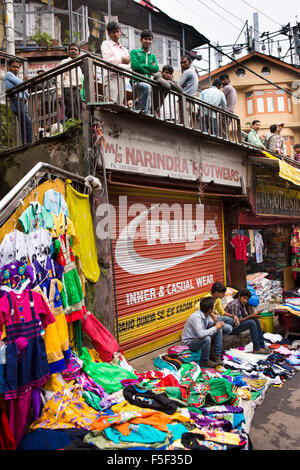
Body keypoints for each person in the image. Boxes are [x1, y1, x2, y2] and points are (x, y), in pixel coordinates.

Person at [182, 296, 225, 367]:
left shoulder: (206, 315)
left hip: (197, 339)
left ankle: (217, 355)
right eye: (212, 307)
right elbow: (201, 334)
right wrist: (215, 327)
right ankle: (204, 360)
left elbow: (211, 325)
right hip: (189, 343)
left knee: (218, 330)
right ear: (210, 309)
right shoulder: (196, 317)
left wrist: (216, 322)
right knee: (207, 339)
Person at [225, 288, 269, 354]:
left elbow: (245, 316)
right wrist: (251, 316)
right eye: (244, 298)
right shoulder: (234, 305)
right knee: (251, 322)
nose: (245, 300)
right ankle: (256, 348)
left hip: (237, 325)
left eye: (247, 299)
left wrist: (254, 315)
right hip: (231, 328)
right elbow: (237, 321)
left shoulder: (242, 304)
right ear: (239, 296)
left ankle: (261, 345)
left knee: (256, 320)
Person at [101, 21, 130, 105]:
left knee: (119, 104)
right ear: (109, 34)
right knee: (111, 102)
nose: (116, 34)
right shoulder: (106, 44)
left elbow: (128, 65)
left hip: (122, 77)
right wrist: (121, 59)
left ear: (120, 32)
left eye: (117, 31)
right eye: (113, 32)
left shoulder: (124, 49)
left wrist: (117, 63)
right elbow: (107, 61)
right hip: (111, 77)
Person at [130, 30, 159, 113]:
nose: (148, 41)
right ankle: (144, 112)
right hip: (136, 82)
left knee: (147, 89)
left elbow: (156, 69)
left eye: (150, 39)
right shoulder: (134, 52)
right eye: (145, 39)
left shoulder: (152, 56)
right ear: (141, 40)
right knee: (147, 87)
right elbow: (135, 66)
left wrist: (143, 65)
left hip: (148, 82)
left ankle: (137, 106)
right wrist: (149, 70)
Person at [5, 58, 32, 145]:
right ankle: (28, 143)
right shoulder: (9, 74)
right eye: (14, 67)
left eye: (17, 67)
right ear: (9, 66)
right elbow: (21, 83)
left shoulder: (15, 76)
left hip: (21, 101)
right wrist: (26, 81)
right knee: (27, 123)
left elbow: (25, 92)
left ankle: (26, 143)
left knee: (25, 124)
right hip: (17, 101)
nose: (16, 69)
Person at [57, 43, 83, 120]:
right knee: (71, 111)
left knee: (79, 110)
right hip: (68, 89)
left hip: (76, 89)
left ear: (78, 53)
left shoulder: (78, 64)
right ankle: (73, 129)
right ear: (68, 51)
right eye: (72, 49)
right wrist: (59, 92)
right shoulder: (65, 62)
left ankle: (78, 128)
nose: (73, 51)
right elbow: (59, 77)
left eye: (75, 50)